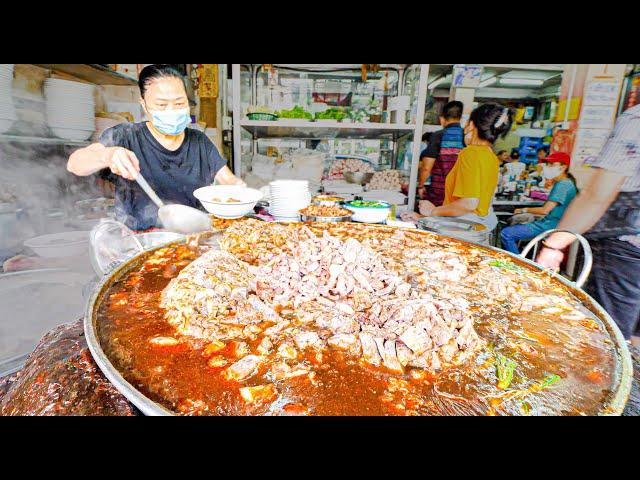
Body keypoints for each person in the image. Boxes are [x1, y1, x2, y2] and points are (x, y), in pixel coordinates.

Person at [67, 64, 244, 231]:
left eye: (179, 103)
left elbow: (228, 181)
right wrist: (108, 155)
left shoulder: (199, 141)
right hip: (139, 242)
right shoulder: (126, 136)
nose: (172, 110)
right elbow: (75, 164)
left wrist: (241, 191)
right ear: (144, 105)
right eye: (161, 105)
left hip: (193, 236)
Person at [536, 104, 640, 344]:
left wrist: (554, 245)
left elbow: (597, 194)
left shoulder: (635, 119)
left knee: (606, 338)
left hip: (625, 249)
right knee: (632, 338)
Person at [404, 103, 513, 232]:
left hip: (463, 228)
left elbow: (469, 203)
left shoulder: (471, 153)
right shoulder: (491, 156)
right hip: (477, 227)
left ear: (471, 125)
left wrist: (433, 211)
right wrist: (423, 218)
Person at [499, 152, 577, 254]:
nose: (548, 167)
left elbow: (545, 210)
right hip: (554, 222)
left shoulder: (563, 185)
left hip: (551, 225)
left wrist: (523, 210)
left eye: (552, 165)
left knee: (507, 234)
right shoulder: (565, 182)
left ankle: (519, 265)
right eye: (547, 164)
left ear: (563, 167)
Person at [417, 101, 465, 206]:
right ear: (460, 118)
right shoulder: (467, 136)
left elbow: (426, 167)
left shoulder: (438, 136)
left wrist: (420, 186)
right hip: (461, 196)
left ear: (442, 119)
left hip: (440, 195)